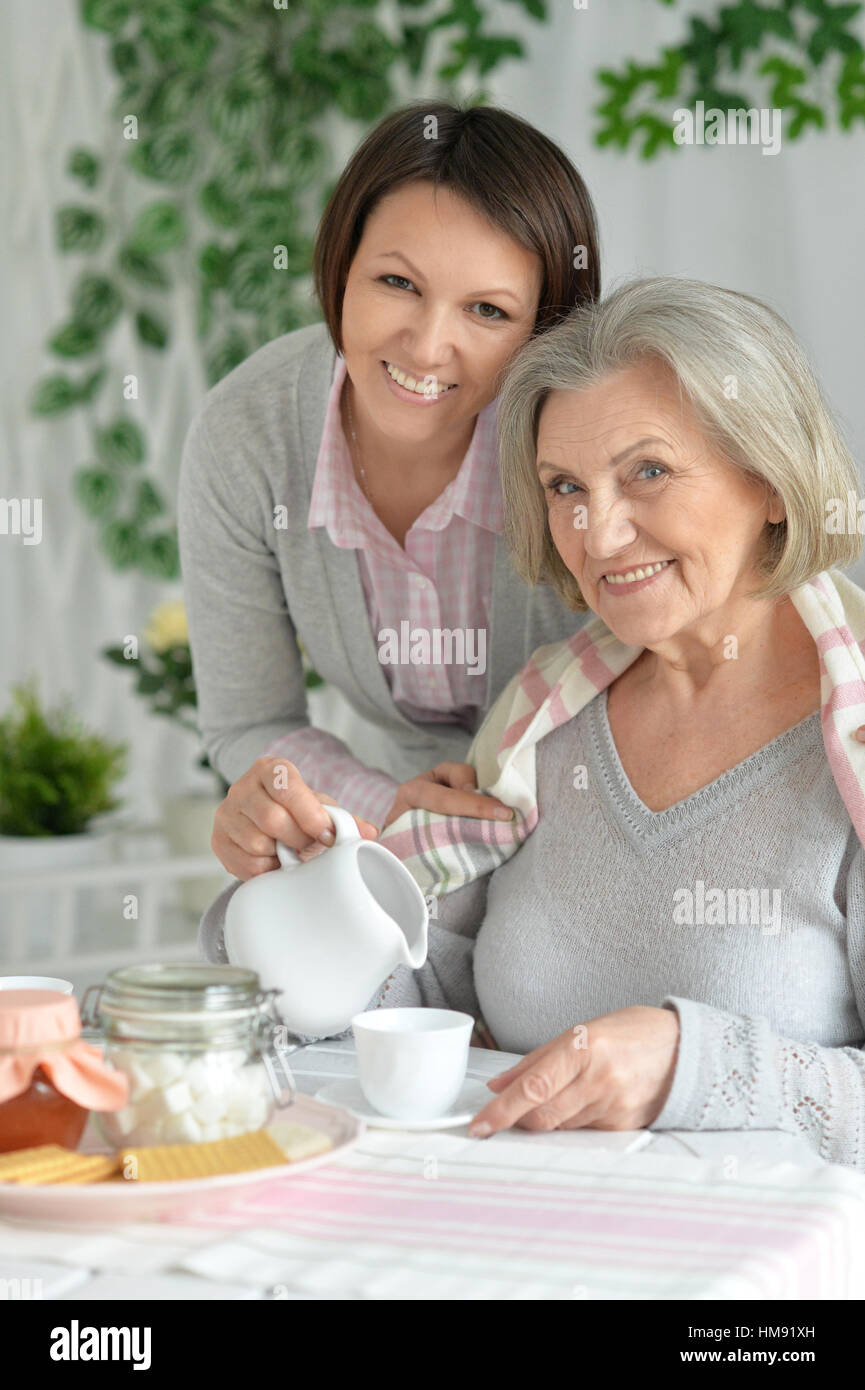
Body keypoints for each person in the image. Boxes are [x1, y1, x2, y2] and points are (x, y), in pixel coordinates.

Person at [203, 275, 865, 1170]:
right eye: (565, 487)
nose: (597, 534)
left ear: (772, 485)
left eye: (649, 472)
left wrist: (689, 1064)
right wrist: (307, 885)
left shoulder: (849, 743)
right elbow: (419, 999)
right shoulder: (539, 720)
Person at [178, 99, 600, 885]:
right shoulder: (247, 437)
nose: (428, 344)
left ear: (544, 329)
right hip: (398, 848)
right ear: (340, 267)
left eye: (486, 309)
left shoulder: (586, 437)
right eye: (397, 282)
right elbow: (251, 722)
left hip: (595, 828)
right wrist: (384, 807)